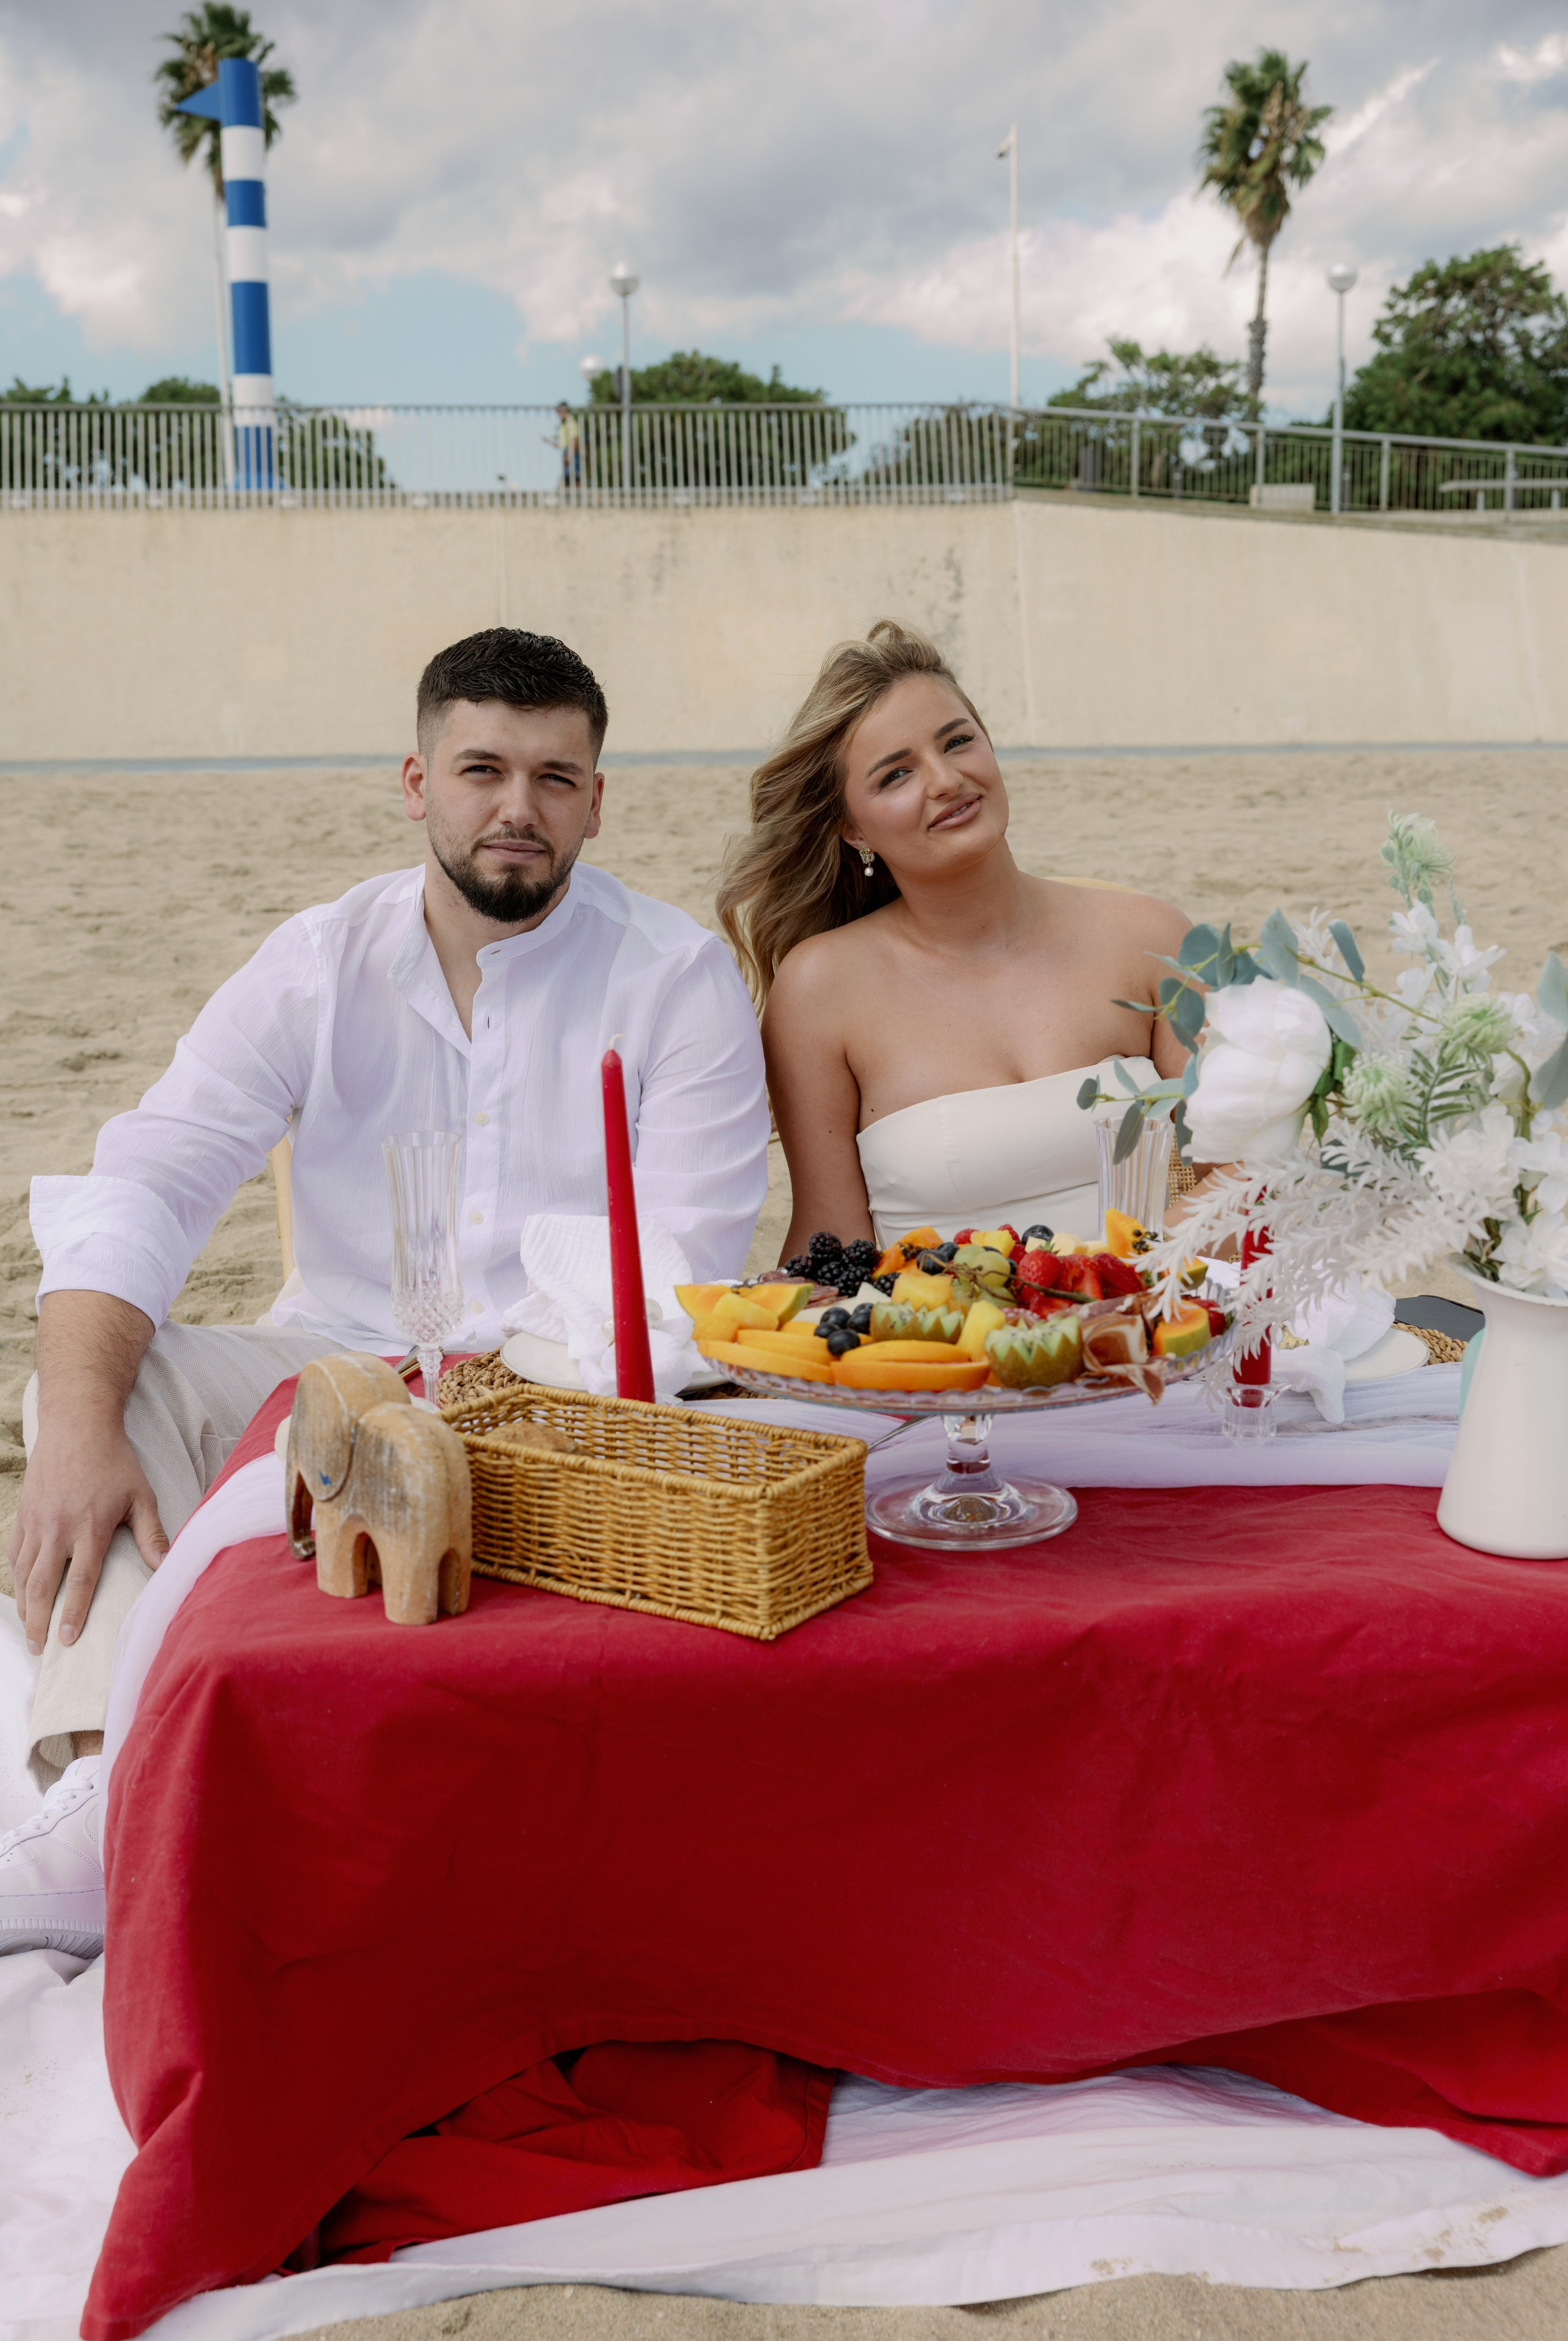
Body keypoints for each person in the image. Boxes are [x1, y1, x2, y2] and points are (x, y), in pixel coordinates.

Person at [2, 626, 768, 1955]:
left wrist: (475, 1403)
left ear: (597, 797)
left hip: (566, 1390)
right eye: (480, 768)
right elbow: (151, 1176)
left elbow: (682, 1277)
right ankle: (96, 1780)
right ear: (416, 782)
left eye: (553, 776)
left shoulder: (677, 980)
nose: (515, 808)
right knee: (102, 1384)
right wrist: (73, 1429)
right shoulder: (317, 960)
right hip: (340, 1360)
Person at [717, 620, 1192, 1264]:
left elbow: (1229, 1174)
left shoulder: (1153, 939)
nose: (945, 780)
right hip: (946, 1351)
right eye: (894, 776)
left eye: (957, 741)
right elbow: (834, 1237)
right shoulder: (820, 990)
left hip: (1158, 1334)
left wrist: (1130, 1300)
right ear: (852, 829)